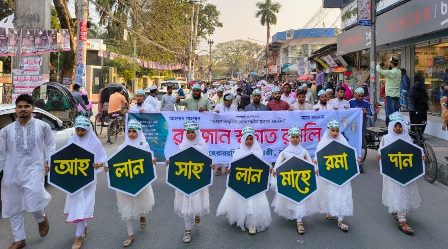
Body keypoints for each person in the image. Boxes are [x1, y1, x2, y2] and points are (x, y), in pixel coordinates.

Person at [0, 94, 55, 249]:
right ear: (16, 109)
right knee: (13, 204)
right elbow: (1, 153)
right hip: (12, 172)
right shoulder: (5, 131)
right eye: (20, 107)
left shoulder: (43, 127)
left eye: (26, 106)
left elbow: (50, 145)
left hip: (34, 169)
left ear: (33, 108)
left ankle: (41, 219)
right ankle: (19, 239)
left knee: (34, 199)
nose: (23, 109)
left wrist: (48, 162)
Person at [108, 119, 156, 247]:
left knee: (140, 203)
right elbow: (116, 162)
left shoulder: (144, 146)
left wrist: (152, 161)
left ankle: (142, 215)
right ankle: (130, 234)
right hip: (125, 184)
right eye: (129, 131)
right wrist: (108, 167)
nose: (131, 134)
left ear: (139, 132)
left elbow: (149, 159)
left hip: (140, 182)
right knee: (127, 208)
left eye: (134, 131)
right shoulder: (122, 147)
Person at [216, 126, 272, 235]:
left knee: (252, 201)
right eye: (247, 139)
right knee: (241, 200)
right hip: (241, 182)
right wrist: (228, 171)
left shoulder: (258, 152)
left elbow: (262, 166)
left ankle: (252, 224)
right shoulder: (237, 152)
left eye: (251, 139)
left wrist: (269, 169)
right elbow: (233, 167)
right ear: (243, 139)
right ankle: (243, 218)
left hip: (254, 183)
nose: (249, 141)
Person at [63, 115, 107, 249]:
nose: (80, 133)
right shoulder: (72, 141)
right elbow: (63, 157)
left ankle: (78, 236)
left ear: (88, 129)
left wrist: (99, 164)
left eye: (83, 130)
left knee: (83, 204)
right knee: (77, 203)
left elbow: (103, 158)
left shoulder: (95, 142)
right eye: (78, 130)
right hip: (74, 179)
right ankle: (82, 229)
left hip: (88, 180)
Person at [377, 112, 422, 235]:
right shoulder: (386, 139)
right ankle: (402, 220)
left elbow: (413, 153)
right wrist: (379, 156)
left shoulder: (407, 138)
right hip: (393, 174)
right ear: (391, 126)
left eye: (400, 126)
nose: (398, 129)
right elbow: (381, 153)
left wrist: (420, 157)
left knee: (403, 192)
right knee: (397, 192)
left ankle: (399, 212)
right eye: (396, 126)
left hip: (405, 172)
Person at [166, 121, 211, 243]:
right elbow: (177, 162)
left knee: (196, 202)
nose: (190, 135)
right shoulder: (181, 146)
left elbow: (207, 162)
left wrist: (211, 166)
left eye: (193, 132)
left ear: (197, 133)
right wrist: (170, 163)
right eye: (188, 132)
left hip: (197, 181)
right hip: (184, 181)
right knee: (185, 205)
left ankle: (197, 214)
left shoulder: (203, 146)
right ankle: (187, 230)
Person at [271, 127, 317, 235]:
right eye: (293, 137)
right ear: (289, 138)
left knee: (300, 199)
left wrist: (315, 169)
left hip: (301, 181)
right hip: (289, 181)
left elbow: (310, 164)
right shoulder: (285, 152)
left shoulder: (303, 151)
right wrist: (275, 170)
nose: (295, 139)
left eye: (297, 137)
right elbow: (278, 164)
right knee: (291, 199)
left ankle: (299, 221)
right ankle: (294, 215)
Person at [315, 120, 357, 232]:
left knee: (341, 194)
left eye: (337, 131)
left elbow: (349, 155)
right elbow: (318, 158)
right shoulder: (322, 143)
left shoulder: (343, 141)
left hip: (341, 174)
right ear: (328, 131)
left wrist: (356, 160)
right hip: (328, 175)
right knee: (329, 193)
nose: (335, 133)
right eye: (332, 130)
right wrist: (317, 167)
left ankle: (340, 219)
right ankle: (331, 210)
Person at [349, 87, 372, 173]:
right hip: (352, 126)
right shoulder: (350, 102)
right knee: (352, 142)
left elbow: (371, 113)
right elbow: (346, 112)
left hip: (362, 126)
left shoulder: (366, 103)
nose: (360, 98)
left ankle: (359, 162)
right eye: (358, 96)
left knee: (360, 143)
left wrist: (366, 111)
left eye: (362, 96)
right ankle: (351, 160)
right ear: (355, 94)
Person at [377, 57, 401, 125]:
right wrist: (387, 66)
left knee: (390, 114)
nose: (389, 64)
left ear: (392, 64)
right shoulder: (399, 71)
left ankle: (391, 129)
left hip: (390, 96)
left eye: (390, 63)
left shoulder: (391, 72)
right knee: (396, 114)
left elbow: (379, 70)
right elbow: (388, 72)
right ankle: (395, 128)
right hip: (397, 96)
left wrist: (378, 65)